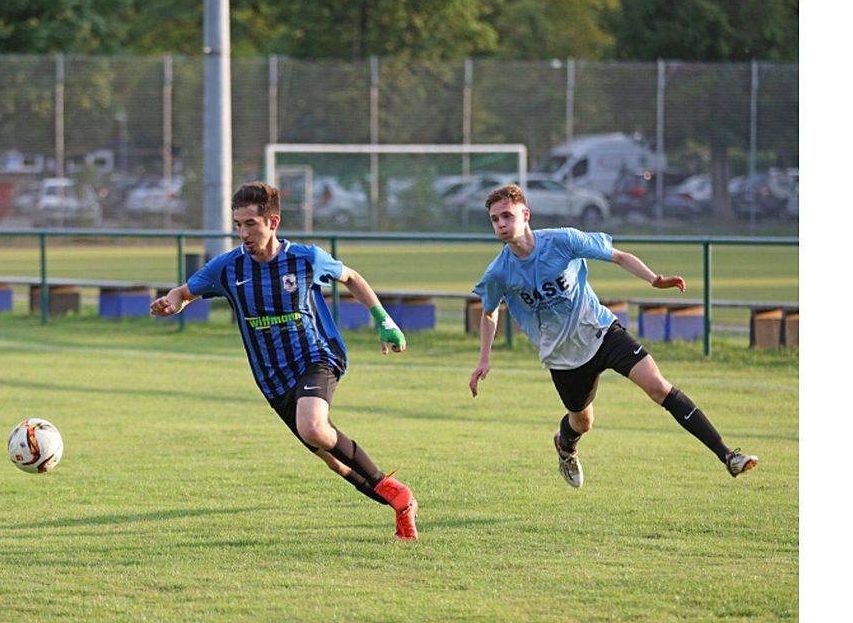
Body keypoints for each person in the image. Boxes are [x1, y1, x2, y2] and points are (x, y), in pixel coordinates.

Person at [151, 181, 418, 540]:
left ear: (272, 222)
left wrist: (385, 321)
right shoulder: (227, 268)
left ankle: (396, 491)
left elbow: (351, 277)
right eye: (238, 225)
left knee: (313, 428)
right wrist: (171, 303)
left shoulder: (305, 258)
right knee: (331, 458)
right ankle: (401, 507)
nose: (243, 233)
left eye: (250, 224)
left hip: (317, 355)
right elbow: (184, 292)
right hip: (272, 378)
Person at [468, 184, 757, 488]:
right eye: (495, 219)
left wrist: (654, 279)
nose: (501, 224)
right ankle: (565, 445)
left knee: (658, 386)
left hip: (603, 331)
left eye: (507, 216)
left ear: (525, 214)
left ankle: (727, 456)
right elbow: (489, 311)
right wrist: (484, 359)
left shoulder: (563, 240)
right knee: (583, 422)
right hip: (563, 357)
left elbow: (618, 256)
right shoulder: (499, 272)